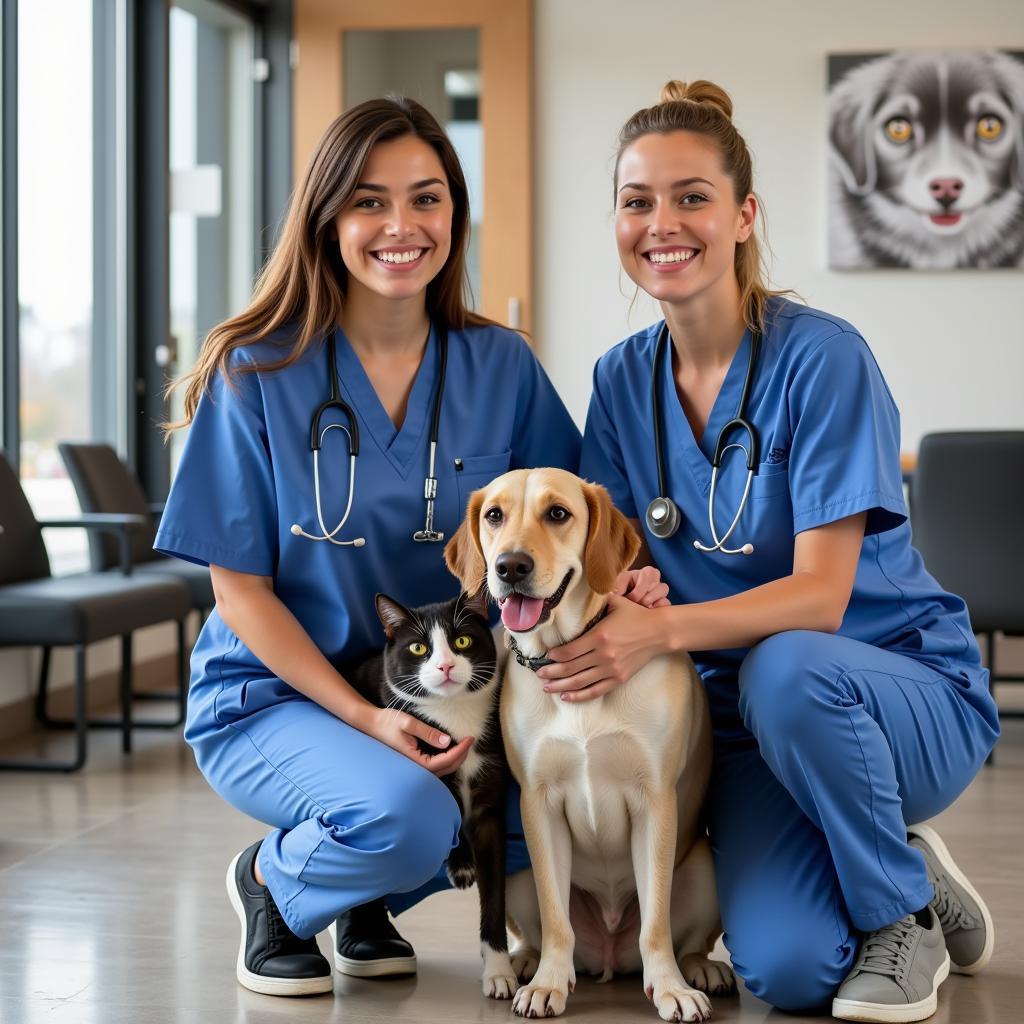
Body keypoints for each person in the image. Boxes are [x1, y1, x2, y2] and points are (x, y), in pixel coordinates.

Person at [536, 80, 1000, 1023]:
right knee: (789, 972)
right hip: (743, 725)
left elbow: (819, 599)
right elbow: (611, 561)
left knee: (788, 668)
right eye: (636, 202)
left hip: (895, 693)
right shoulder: (620, 383)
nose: (662, 223)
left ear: (744, 215)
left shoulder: (822, 360)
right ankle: (897, 858)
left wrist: (658, 634)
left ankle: (901, 911)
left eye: (691, 197)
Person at [156, 96, 582, 997]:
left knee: (524, 812)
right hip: (278, 696)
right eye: (369, 201)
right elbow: (240, 595)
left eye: (427, 199)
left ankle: (358, 894)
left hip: (444, 691)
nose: (401, 226)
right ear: (327, 218)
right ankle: (276, 883)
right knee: (416, 818)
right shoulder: (255, 369)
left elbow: (571, 525)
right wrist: (366, 722)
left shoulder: (500, 366)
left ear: (454, 215)